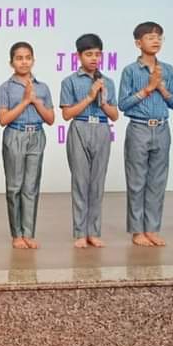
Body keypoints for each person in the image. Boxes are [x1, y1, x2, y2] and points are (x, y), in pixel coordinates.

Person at [118, 22, 173, 247]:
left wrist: (161, 87)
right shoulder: (130, 71)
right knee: (137, 182)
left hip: (162, 128)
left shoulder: (168, 70)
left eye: (159, 37)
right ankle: (137, 231)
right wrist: (147, 89)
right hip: (139, 128)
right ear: (138, 43)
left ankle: (152, 228)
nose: (155, 41)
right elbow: (123, 104)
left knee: (157, 182)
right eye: (150, 37)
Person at [60, 34, 119, 248]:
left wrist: (102, 101)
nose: (94, 58)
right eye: (89, 54)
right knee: (80, 182)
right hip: (80, 127)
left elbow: (115, 115)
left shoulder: (107, 82)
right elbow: (67, 114)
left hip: (102, 128)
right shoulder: (70, 81)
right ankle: (79, 232)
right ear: (79, 56)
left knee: (97, 183)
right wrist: (89, 97)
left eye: (97, 54)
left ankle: (93, 231)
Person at [0, 41, 57, 249]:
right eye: (19, 58)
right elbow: (3, 119)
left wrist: (36, 101)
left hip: (37, 135)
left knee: (31, 186)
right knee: (14, 186)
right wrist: (24, 101)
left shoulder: (43, 87)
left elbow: (51, 119)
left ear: (33, 60)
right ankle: (17, 234)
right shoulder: (5, 88)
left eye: (28, 58)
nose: (24, 62)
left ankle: (29, 233)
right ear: (11, 62)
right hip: (15, 134)